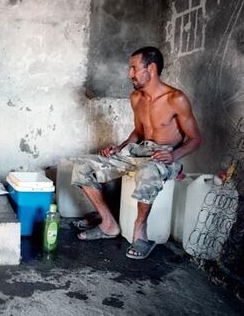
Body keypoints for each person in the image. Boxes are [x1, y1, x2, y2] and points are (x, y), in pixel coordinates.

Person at [71, 46, 202, 259]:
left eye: (133, 68)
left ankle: (140, 233)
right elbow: (139, 132)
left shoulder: (175, 99)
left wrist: (174, 156)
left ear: (150, 68)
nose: (129, 74)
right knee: (83, 166)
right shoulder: (136, 98)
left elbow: (196, 139)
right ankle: (108, 224)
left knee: (149, 171)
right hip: (138, 151)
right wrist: (120, 147)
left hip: (164, 156)